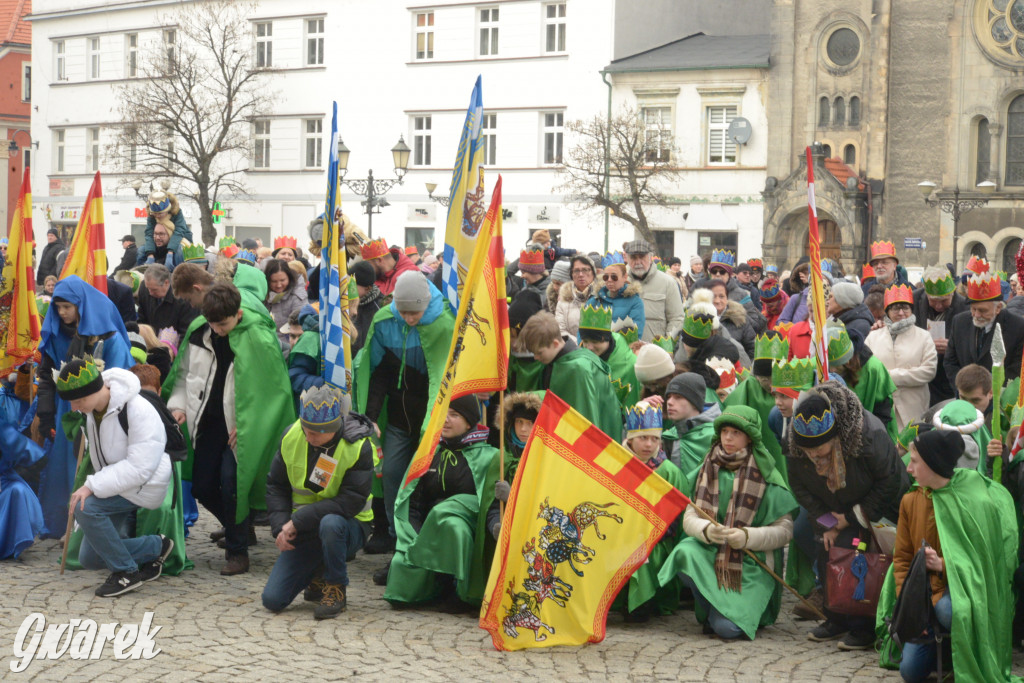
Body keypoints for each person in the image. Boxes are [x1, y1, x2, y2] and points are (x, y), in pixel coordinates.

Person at [166, 283, 295, 575]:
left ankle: (238, 552)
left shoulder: (258, 336)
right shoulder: (199, 331)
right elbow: (184, 375)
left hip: (240, 429)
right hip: (208, 422)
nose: (217, 330)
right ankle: (240, 525)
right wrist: (178, 406)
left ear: (238, 314)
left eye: (223, 325)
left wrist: (250, 424)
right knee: (201, 486)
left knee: (233, 484)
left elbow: (273, 390)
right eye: (212, 324)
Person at [789, 381, 909, 650]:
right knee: (828, 550)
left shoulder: (869, 437)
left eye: (819, 449)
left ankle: (863, 625)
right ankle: (836, 617)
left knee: (857, 556)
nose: (813, 456)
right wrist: (828, 523)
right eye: (807, 451)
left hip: (878, 509)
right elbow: (800, 488)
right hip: (833, 511)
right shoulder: (796, 445)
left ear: (836, 438)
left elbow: (890, 482)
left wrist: (852, 517)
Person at [891, 429, 1018, 682]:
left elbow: (986, 563)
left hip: (959, 592)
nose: (908, 468)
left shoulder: (971, 499)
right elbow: (902, 558)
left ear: (933, 464)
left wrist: (943, 564)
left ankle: (960, 652)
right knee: (910, 672)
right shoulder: (911, 501)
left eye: (914, 461)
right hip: (923, 596)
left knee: (950, 612)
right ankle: (943, 647)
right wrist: (910, 608)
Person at [659, 406, 797, 640]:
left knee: (727, 630)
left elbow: (784, 531)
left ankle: (723, 615)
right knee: (684, 552)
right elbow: (690, 516)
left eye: (736, 432)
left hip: (751, 564)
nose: (728, 438)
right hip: (711, 554)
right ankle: (713, 610)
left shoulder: (767, 474)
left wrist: (747, 537)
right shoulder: (707, 467)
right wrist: (707, 531)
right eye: (724, 431)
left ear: (749, 437)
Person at [356, 272, 455, 567]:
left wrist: (437, 426)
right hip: (399, 418)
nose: (409, 319)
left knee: (428, 482)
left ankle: (424, 549)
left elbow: (446, 378)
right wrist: (371, 416)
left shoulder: (444, 322)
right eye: (404, 312)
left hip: (434, 420)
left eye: (415, 313)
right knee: (392, 476)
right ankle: (398, 545)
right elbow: (377, 372)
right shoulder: (386, 321)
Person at [59, 358, 175, 597]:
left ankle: (126, 573)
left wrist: (92, 485)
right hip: (120, 483)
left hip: (145, 484)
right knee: (89, 558)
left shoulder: (137, 409)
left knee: (85, 507)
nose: (74, 407)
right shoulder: (94, 410)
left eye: (78, 401)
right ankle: (157, 546)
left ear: (94, 390)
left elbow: (140, 468)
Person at [261, 385, 374, 620]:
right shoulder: (293, 435)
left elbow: (350, 501)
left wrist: (297, 521)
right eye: (306, 430)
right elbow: (276, 486)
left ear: (333, 429)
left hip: (348, 526)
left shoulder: (357, 446)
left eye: (315, 434)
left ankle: (335, 587)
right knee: (272, 599)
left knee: (331, 524)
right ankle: (316, 574)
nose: (308, 438)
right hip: (305, 528)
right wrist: (280, 527)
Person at [35, 276, 135, 538]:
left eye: (67, 307)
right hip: (66, 411)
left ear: (81, 305)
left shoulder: (107, 336)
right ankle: (66, 524)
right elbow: (46, 376)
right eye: (57, 307)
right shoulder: (57, 333)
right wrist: (46, 413)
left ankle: (88, 527)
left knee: (92, 466)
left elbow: (120, 376)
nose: (61, 313)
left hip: (100, 411)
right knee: (66, 467)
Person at [384, 396, 501, 608]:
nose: (445, 420)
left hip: (465, 537)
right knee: (401, 576)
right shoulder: (427, 453)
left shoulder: (491, 457)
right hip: (428, 534)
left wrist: (451, 509)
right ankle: (434, 586)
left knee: (452, 526)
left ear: (469, 422)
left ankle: (459, 589)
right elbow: (412, 504)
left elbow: (488, 507)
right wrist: (417, 539)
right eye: (443, 414)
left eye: (454, 415)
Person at [616, 402, 688, 620]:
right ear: (630, 439)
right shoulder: (617, 464)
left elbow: (678, 515)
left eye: (655, 439)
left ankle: (647, 600)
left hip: (658, 539)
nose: (649, 444)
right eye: (643, 438)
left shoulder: (669, 472)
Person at [518, 311, 623, 442]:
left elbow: (582, 422)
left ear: (555, 343)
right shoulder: (558, 360)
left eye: (539, 352)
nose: (536, 357)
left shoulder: (577, 369)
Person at [865, 285, 937, 432]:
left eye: (905, 308)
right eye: (895, 309)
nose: (901, 313)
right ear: (887, 311)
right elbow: (866, 370)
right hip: (882, 407)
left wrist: (890, 376)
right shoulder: (873, 336)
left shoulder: (924, 336)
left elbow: (929, 371)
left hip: (914, 406)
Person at [912, 266, 968, 404]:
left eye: (943, 301)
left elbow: (969, 344)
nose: (938, 306)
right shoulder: (914, 300)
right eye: (933, 301)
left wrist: (952, 347)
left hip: (947, 381)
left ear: (952, 293)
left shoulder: (964, 308)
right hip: (918, 375)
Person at [578, 304, 640, 408]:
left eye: (595, 342)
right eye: (585, 341)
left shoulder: (631, 365)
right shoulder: (579, 359)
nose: (589, 347)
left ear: (607, 340)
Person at [624, 240, 685, 342]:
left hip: (655, 348)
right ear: (627, 259)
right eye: (633, 257)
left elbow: (676, 319)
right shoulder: (621, 283)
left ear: (650, 258)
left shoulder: (668, 283)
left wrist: (667, 344)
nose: (638, 262)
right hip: (625, 348)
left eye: (642, 257)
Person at [659, 372, 720, 473]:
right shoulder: (669, 436)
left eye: (678, 397)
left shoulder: (716, 436)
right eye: (669, 396)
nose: (669, 402)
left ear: (695, 402)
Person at [587, 262, 646, 339]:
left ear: (625, 277)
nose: (609, 280)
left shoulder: (635, 302)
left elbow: (635, 334)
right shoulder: (594, 301)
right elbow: (582, 329)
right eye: (606, 277)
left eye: (614, 277)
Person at [137, 264, 198, 339]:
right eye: (148, 288)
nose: (150, 293)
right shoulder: (144, 288)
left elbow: (186, 332)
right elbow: (142, 319)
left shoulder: (184, 298)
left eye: (154, 290)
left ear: (166, 283)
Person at [704, 280, 756, 359]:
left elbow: (752, 349)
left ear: (727, 297)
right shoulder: (699, 320)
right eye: (713, 297)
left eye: (721, 296)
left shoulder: (740, 318)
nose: (717, 301)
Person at [139, 190, 192, 266]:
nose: (157, 216)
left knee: (179, 251)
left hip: (180, 240)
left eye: (160, 213)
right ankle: (141, 271)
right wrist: (150, 254)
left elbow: (179, 231)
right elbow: (149, 233)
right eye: (155, 213)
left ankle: (179, 271)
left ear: (167, 210)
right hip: (160, 243)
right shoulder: (151, 216)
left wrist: (170, 252)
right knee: (141, 250)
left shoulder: (177, 212)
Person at [263, 259, 306, 352]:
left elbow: (300, 327)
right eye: (274, 281)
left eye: (282, 280)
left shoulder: (297, 296)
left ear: (289, 278)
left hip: (289, 348)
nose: (279, 285)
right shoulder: (263, 295)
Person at [555, 254, 599, 339]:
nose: (581, 274)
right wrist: (580, 344)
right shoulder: (563, 300)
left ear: (593, 273)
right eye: (576, 271)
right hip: (573, 346)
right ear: (571, 274)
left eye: (585, 270)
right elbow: (561, 331)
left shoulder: (603, 296)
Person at [829, 281, 873, 355]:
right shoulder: (841, 322)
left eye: (831, 297)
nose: (828, 301)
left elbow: (853, 358)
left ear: (842, 300)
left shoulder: (860, 326)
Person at [352, 261, 385, 355]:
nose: (348, 288)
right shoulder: (346, 303)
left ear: (368, 288)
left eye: (353, 285)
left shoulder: (380, 306)